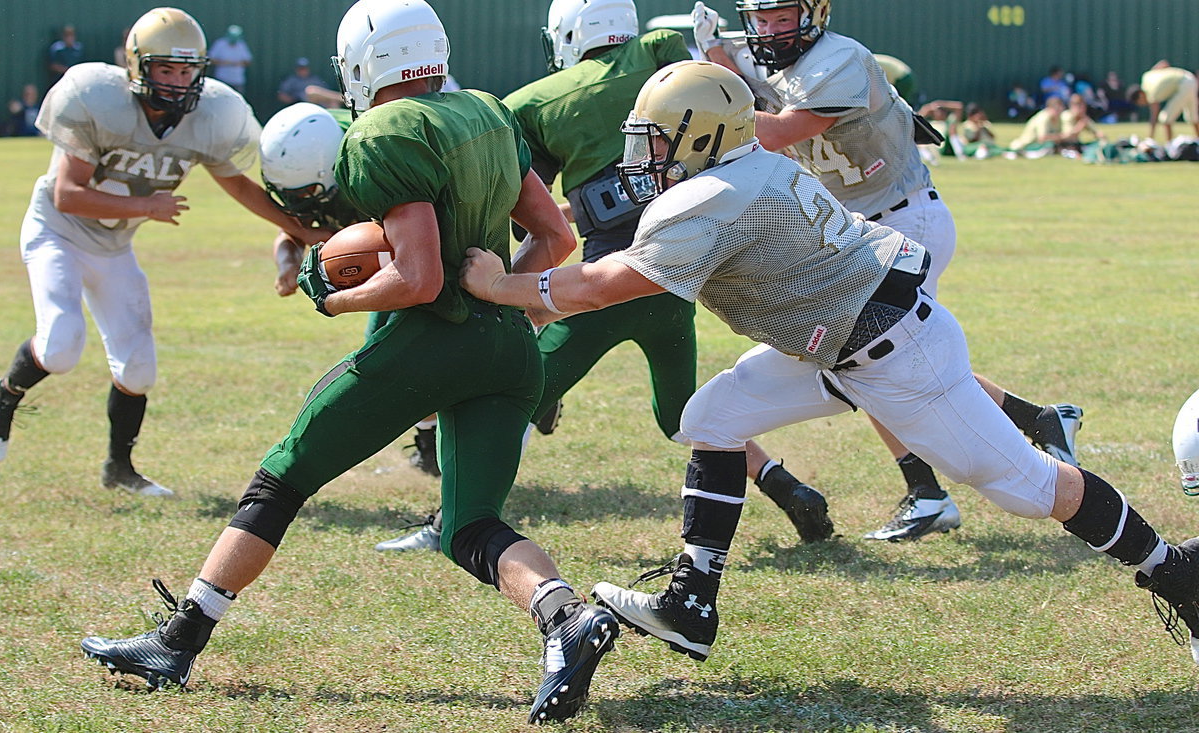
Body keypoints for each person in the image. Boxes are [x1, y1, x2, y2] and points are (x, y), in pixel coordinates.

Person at [460, 59, 1199, 669]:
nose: (644, 157)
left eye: (657, 140)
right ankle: (691, 601)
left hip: (891, 352)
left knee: (1031, 488)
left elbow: (600, 285)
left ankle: (1176, 570)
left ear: (703, 136)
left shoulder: (712, 194)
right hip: (836, 337)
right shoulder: (745, 162)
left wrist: (498, 284)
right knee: (711, 417)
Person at [80, 2, 618, 724]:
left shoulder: (383, 130)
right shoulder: (488, 108)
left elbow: (419, 278)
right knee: (470, 525)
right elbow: (554, 235)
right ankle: (567, 620)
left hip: (430, 344)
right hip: (510, 346)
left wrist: (333, 298)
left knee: (282, 475)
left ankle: (176, 643)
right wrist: (499, 291)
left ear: (366, 64)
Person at [377, 0, 835, 555]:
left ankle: (450, 518)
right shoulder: (662, 62)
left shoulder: (537, 101)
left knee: (507, 399)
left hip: (611, 279)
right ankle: (789, 489)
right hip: (671, 283)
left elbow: (522, 202)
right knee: (681, 413)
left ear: (566, 35)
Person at [693, 0, 1082, 541]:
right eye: (761, 20)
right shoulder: (783, 62)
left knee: (873, 360)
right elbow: (753, 92)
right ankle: (1033, 422)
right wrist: (716, 54)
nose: (770, 30)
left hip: (902, 218)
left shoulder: (839, 58)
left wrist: (698, 102)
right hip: (865, 228)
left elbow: (779, 130)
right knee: (897, 359)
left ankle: (936, 490)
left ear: (813, 14)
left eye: (782, 17)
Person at [0, 7, 321, 496]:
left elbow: (237, 186)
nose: (176, 81)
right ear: (138, 67)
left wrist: (301, 230)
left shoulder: (211, 114)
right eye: (165, 69)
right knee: (62, 345)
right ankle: (5, 398)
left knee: (138, 368)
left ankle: (119, 469)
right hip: (58, 233)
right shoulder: (98, 98)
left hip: (114, 247)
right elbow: (67, 193)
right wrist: (146, 204)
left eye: (186, 70)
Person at [259, 101, 439, 480]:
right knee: (388, 355)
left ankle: (436, 442)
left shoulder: (376, 169)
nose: (296, 203)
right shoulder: (310, 162)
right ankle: (428, 443)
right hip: (399, 259)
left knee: (392, 351)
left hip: (427, 254)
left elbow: (415, 245)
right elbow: (291, 229)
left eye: (304, 192)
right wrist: (287, 265)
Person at [1132, 61, 1199, 141]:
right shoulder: (1146, 76)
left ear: (1140, 95)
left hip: (1184, 84)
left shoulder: (1151, 94)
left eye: (1140, 102)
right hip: (1190, 77)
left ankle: (1169, 145)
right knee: (1193, 117)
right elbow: (1164, 63)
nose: (1143, 104)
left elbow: (1154, 116)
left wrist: (1150, 138)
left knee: (1165, 118)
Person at [207, 25, 252, 95]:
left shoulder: (241, 45)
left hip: (237, 80)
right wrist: (223, 63)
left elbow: (248, 61)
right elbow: (210, 59)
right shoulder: (220, 44)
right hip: (222, 79)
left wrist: (237, 63)